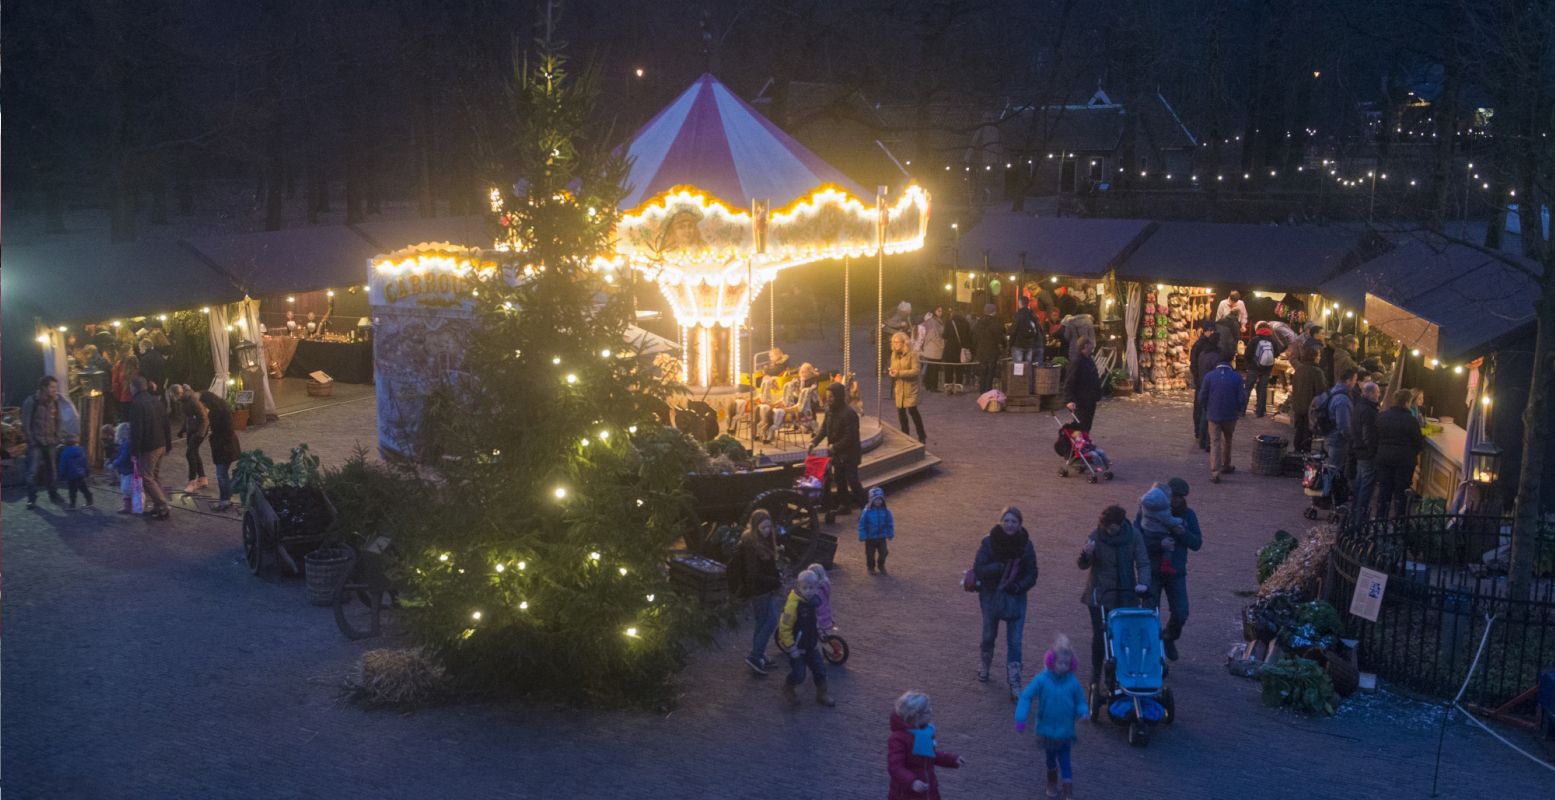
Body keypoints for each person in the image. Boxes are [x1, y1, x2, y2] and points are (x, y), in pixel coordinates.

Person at [1077, 505, 1150, 685]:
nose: (1108, 530)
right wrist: (1086, 554)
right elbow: (1083, 565)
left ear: (1120, 524)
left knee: (1123, 635)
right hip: (1100, 594)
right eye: (1105, 526)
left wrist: (1143, 583)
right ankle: (1096, 672)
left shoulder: (1133, 535)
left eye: (1112, 527)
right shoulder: (1096, 536)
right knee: (1100, 635)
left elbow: (1143, 562)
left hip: (1125, 593)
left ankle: (1117, 672)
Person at [973, 506, 1039, 700]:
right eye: (1007, 521)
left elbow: (1032, 573)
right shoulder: (988, 542)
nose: (1010, 525)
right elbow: (979, 568)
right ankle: (985, 664)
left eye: (1014, 521)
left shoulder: (1026, 545)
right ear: (1001, 521)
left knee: (1015, 640)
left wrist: (1018, 587)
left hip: (1015, 597)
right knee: (988, 634)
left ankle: (1015, 683)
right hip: (991, 594)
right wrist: (999, 567)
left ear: (1020, 524)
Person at [1015, 635, 1088, 799]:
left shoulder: (1073, 682)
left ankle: (1068, 789)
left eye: (1066, 664)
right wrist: (1021, 718)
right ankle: (1052, 781)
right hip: (1047, 732)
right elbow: (1026, 696)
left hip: (1065, 732)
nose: (1063, 667)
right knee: (1050, 760)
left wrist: (1083, 711)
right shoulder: (1042, 680)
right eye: (1060, 663)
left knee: (1065, 760)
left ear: (1071, 664)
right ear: (1051, 661)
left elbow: (1080, 700)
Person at [727, 509, 783, 675]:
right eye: (763, 528)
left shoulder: (762, 540)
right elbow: (754, 574)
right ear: (755, 527)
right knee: (771, 621)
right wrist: (775, 581)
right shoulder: (751, 545)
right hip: (761, 590)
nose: (767, 531)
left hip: (766, 588)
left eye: (768, 527)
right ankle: (755, 655)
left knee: (761, 622)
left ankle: (760, 654)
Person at [887, 691, 965, 800]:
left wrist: (952, 759)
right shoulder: (898, 739)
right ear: (915, 716)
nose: (931, 712)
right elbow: (895, 767)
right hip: (906, 793)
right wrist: (912, 781)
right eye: (927, 711)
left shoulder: (924, 732)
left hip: (928, 790)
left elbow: (930, 755)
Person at [776, 569, 835, 707]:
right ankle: (789, 686)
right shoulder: (793, 605)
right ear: (798, 587)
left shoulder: (814, 601)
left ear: (816, 588)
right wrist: (791, 647)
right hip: (797, 647)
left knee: (820, 668)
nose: (808, 591)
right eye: (804, 588)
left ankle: (822, 693)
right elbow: (784, 627)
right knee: (799, 673)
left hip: (811, 644)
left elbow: (814, 621)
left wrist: (819, 631)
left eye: (811, 588)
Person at [810, 383, 864, 520]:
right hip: (837, 453)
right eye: (827, 396)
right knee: (839, 479)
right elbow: (823, 429)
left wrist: (835, 446)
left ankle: (866, 506)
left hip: (849, 454)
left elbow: (850, 436)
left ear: (838, 397)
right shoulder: (829, 410)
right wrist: (814, 442)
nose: (828, 399)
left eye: (831, 396)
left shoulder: (849, 414)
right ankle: (844, 505)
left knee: (852, 480)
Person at [1374, 389, 1425, 521]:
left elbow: (1375, 437)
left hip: (1384, 458)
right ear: (1408, 402)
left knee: (1384, 490)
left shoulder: (1382, 416)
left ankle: (1380, 518)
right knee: (1401, 493)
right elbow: (1418, 443)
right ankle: (1399, 520)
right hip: (1404, 461)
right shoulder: (1411, 421)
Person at [21, 375, 70, 508]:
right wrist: (31, 440)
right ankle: (31, 498)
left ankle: (53, 494)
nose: (55, 390)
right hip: (36, 442)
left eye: (55, 387)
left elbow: (58, 420)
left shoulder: (54, 402)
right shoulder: (31, 401)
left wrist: (57, 437)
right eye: (52, 387)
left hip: (50, 442)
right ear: (44, 387)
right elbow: (26, 423)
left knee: (52, 470)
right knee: (32, 471)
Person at [128, 376, 172, 519]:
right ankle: (158, 506)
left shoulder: (137, 404)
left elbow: (137, 430)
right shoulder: (156, 400)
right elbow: (166, 423)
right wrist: (168, 443)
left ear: (134, 387)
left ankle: (163, 505)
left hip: (149, 446)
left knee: (146, 477)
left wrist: (134, 451)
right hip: (161, 443)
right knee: (154, 476)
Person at [1198, 353, 1243, 483]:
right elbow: (1241, 398)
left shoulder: (1209, 376)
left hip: (1213, 414)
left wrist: (1207, 408)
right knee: (1228, 439)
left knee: (1215, 442)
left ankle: (1215, 471)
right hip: (1230, 415)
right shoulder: (1236, 377)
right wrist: (1239, 409)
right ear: (1231, 362)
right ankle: (1226, 464)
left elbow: (1202, 397)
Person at [200, 391, 242, 510]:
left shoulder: (215, 413)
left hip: (223, 447)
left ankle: (225, 501)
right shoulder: (223, 406)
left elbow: (218, 430)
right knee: (223, 473)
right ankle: (226, 497)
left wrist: (213, 437)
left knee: (221, 474)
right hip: (229, 445)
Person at [1350, 382, 1382, 520]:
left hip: (1359, 451)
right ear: (1369, 394)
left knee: (1360, 483)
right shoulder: (1369, 411)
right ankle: (1361, 517)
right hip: (1366, 454)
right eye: (1377, 392)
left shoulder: (1359, 407)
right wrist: (1373, 452)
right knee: (1366, 486)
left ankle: (1355, 514)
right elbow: (1368, 435)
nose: (1379, 395)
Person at [889, 331, 927, 443]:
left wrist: (899, 373)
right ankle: (905, 435)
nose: (895, 344)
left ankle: (922, 435)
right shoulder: (894, 354)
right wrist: (892, 372)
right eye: (894, 342)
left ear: (904, 342)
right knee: (900, 413)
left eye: (897, 342)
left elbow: (916, 371)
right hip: (900, 388)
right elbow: (894, 367)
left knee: (913, 411)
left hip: (911, 388)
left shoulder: (912, 354)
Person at [1289, 349, 1328, 453]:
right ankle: (1305, 454)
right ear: (1314, 357)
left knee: (1299, 429)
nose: (1319, 358)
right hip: (1310, 406)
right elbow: (1321, 390)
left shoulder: (1299, 369)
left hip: (1298, 405)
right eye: (1318, 356)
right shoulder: (1317, 371)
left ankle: (1297, 451)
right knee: (1307, 431)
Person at [1322, 368, 1360, 472]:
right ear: (1348, 381)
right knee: (1334, 470)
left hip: (1330, 435)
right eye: (1354, 380)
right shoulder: (1342, 400)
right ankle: (1329, 488)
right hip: (1338, 439)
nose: (1355, 383)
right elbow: (1344, 425)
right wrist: (1352, 438)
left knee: (1332, 467)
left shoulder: (1333, 391)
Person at [1189, 321, 1219, 449]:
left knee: (1203, 407)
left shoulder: (1207, 344)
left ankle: (1202, 434)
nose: (1212, 333)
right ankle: (1200, 433)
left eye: (1213, 330)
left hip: (1203, 380)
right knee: (1201, 407)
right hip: (1202, 380)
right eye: (1210, 330)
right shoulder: (1200, 345)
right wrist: (1198, 378)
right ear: (1205, 331)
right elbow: (1194, 364)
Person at [1063, 338, 1102, 433]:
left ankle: (1085, 440)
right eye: (1090, 344)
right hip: (1081, 398)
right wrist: (1069, 399)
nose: (1093, 346)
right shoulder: (1077, 361)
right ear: (1085, 346)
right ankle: (1078, 442)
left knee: (1088, 422)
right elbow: (1070, 381)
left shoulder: (1088, 359)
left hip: (1090, 396)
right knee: (1081, 422)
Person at [1247, 322, 1281, 417]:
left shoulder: (1255, 340)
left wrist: (1250, 364)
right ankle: (1260, 412)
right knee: (1262, 389)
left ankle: (1242, 410)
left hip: (1253, 367)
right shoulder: (1272, 340)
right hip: (1266, 368)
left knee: (1248, 388)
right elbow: (1277, 353)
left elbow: (1248, 354)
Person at [179, 388, 210, 495]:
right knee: (194, 453)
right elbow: (188, 418)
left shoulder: (192, 401)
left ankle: (192, 482)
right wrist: (182, 430)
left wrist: (200, 433)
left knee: (190, 453)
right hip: (192, 429)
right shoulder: (183, 402)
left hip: (199, 430)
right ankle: (202, 478)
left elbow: (204, 417)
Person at [858, 486, 894, 575]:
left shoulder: (886, 511)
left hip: (882, 536)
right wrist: (862, 535)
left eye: (880, 499)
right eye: (876, 499)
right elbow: (862, 524)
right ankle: (871, 567)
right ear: (871, 500)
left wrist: (890, 533)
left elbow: (889, 523)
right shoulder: (866, 511)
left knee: (884, 552)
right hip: (870, 537)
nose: (878, 501)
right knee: (870, 554)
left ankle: (881, 565)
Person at [1010, 296, 1042, 393]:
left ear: (1020, 303)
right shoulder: (1032, 315)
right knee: (1029, 367)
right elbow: (1038, 330)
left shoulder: (1018, 315)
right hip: (1030, 345)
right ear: (1028, 303)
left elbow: (1014, 330)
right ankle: (1029, 388)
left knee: (1018, 367)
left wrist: (1010, 343)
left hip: (1018, 345)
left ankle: (1019, 388)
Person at [972, 303, 1005, 394]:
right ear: (993, 311)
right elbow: (1000, 337)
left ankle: (982, 391)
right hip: (992, 351)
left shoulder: (979, 322)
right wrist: (1003, 345)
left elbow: (974, 337)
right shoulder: (995, 322)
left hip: (981, 351)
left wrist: (976, 348)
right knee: (990, 373)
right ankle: (988, 390)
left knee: (982, 372)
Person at [57, 433, 92, 508]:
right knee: (83, 488)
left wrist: (61, 475)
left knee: (72, 490)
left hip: (71, 474)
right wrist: (87, 472)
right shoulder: (81, 450)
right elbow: (85, 462)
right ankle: (90, 501)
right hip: (80, 474)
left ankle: (72, 505)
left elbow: (62, 465)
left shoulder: (65, 452)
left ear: (65, 443)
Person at [109, 423, 138, 514]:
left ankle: (131, 507)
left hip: (128, 469)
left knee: (127, 489)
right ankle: (132, 507)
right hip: (130, 468)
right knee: (130, 489)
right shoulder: (128, 443)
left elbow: (123, 457)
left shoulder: (127, 444)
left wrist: (114, 463)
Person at [916, 310, 946, 392]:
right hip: (934, 349)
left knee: (930, 367)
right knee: (933, 368)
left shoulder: (930, 322)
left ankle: (928, 384)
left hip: (930, 349)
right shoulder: (933, 322)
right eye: (938, 311)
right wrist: (942, 344)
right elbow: (934, 336)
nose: (941, 312)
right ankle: (932, 386)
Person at [942, 306, 973, 388]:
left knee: (948, 368)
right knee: (959, 369)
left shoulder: (949, 322)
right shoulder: (965, 322)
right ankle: (958, 386)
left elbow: (944, 335)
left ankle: (948, 386)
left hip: (949, 349)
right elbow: (969, 337)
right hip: (961, 350)